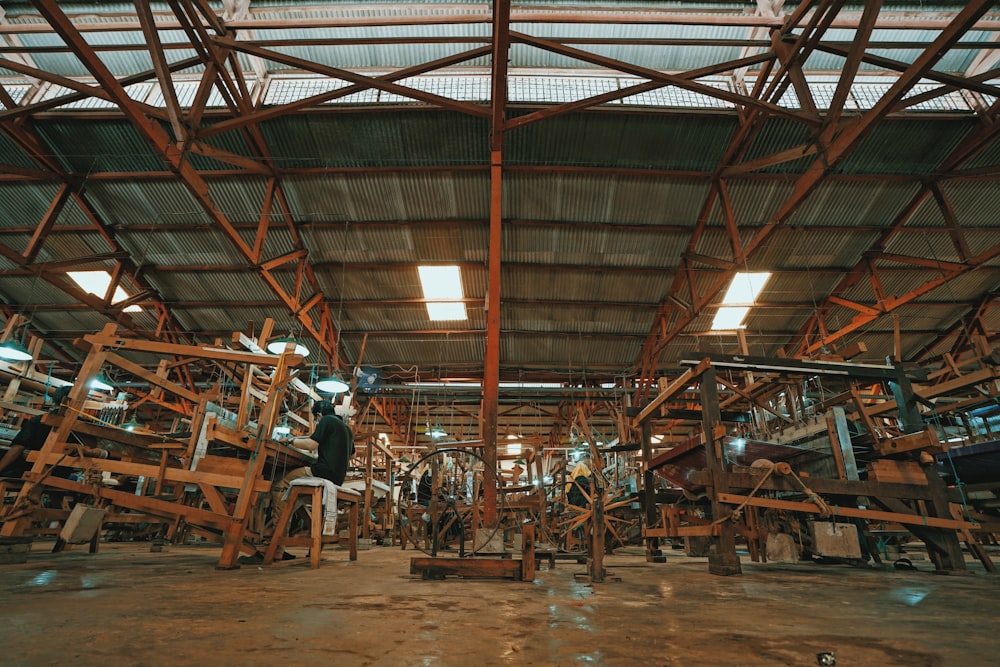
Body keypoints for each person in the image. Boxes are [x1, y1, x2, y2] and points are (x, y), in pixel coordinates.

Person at [269, 399, 354, 528]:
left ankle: (278, 538)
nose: (317, 422)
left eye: (316, 419)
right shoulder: (346, 428)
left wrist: (291, 441)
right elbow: (353, 454)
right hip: (338, 478)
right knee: (295, 493)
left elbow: (311, 445)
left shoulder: (327, 420)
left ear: (319, 414)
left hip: (323, 472)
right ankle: (286, 525)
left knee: (280, 482)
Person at [0, 385, 73, 479]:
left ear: (55, 401)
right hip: (61, 474)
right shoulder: (83, 425)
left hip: (32, 470)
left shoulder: (38, 421)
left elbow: (17, 449)